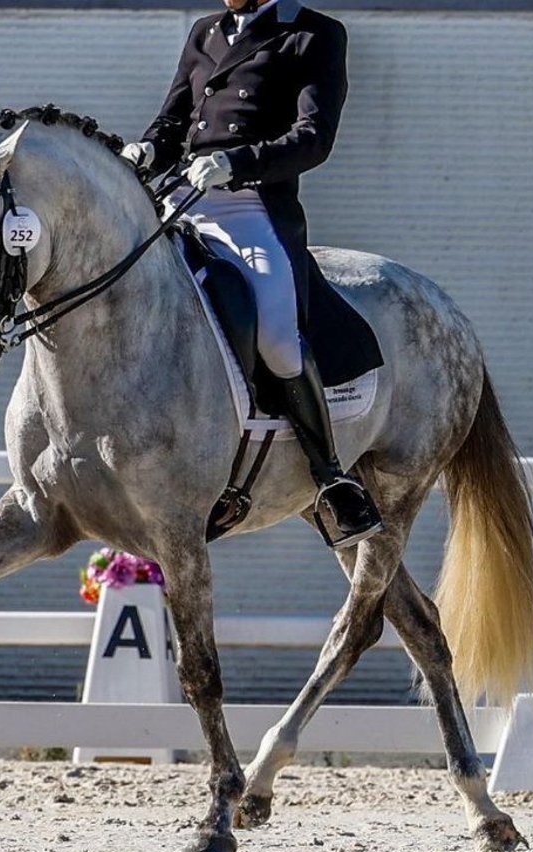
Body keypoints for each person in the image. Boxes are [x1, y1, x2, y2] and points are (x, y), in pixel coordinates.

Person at [121, 0, 382, 548]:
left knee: (279, 339)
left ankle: (331, 476)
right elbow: (173, 121)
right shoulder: (205, 31)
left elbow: (314, 136)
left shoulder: (312, 35)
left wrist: (238, 163)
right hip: (180, 198)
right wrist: (147, 148)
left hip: (250, 204)